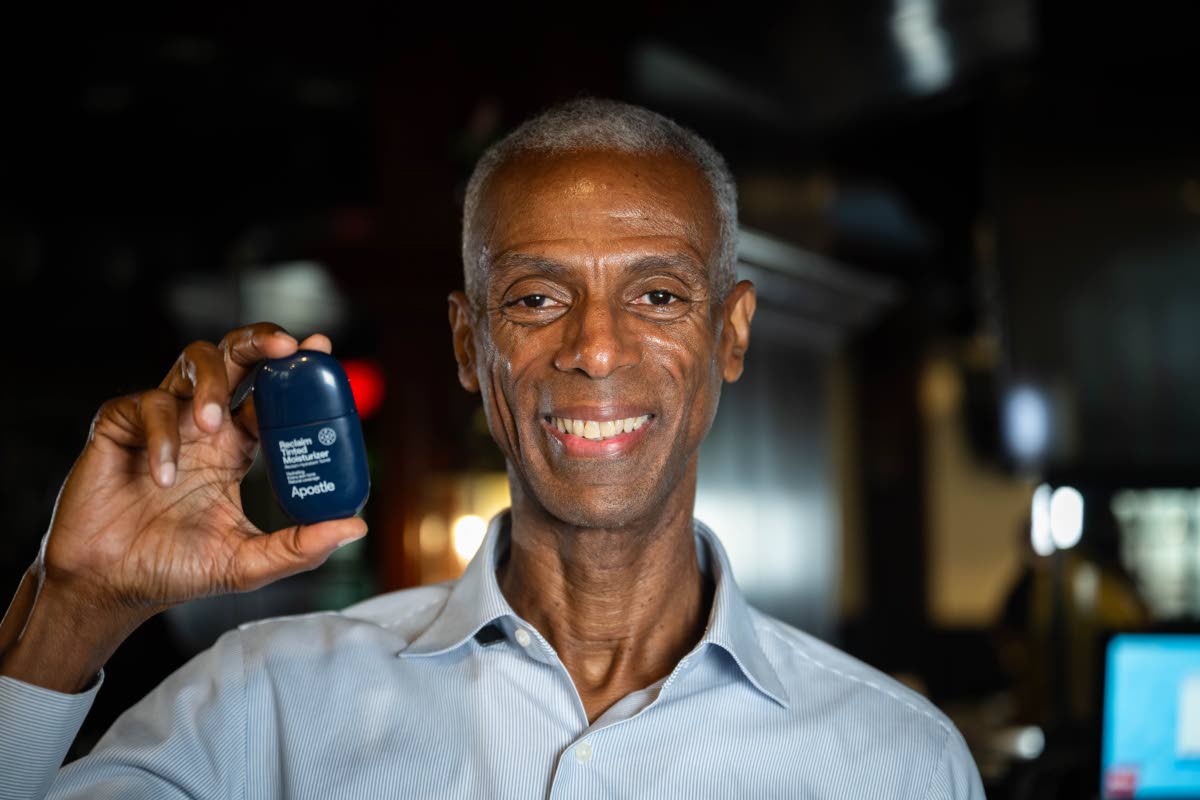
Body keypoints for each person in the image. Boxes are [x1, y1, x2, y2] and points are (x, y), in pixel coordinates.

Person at [0, 98, 984, 798]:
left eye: (658, 295)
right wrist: (70, 607)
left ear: (729, 333)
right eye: (536, 298)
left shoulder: (896, 762)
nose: (596, 348)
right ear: (471, 344)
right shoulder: (262, 702)